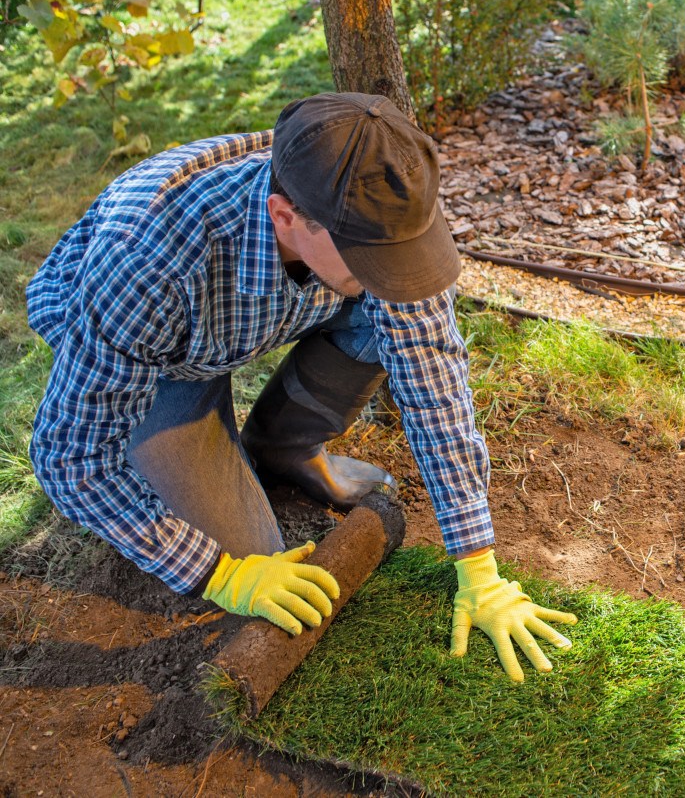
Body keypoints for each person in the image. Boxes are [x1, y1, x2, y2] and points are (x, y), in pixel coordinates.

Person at [26, 92, 575, 683]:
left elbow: (430, 365)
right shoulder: (145, 263)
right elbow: (70, 459)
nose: (393, 273)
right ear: (287, 218)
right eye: (371, 259)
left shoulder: (368, 197)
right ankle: (195, 444)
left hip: (251, 311)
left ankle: (281, 449)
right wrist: (221, 574)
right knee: (252, 552)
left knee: (385, 318)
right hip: (158, 360)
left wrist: (478, 563)